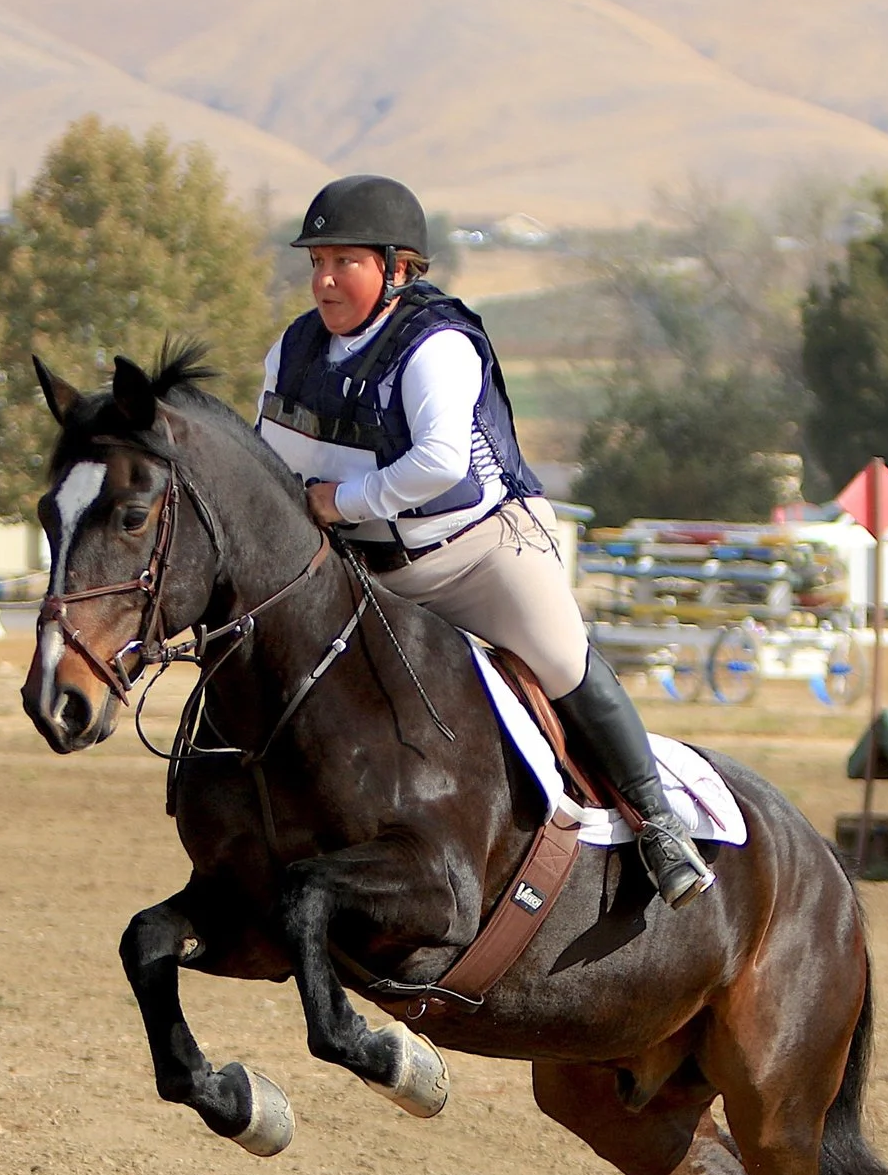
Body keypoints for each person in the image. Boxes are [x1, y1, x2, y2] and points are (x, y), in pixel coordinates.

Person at [256, 175, 714, 907]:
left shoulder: (435, 345)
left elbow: (439, 465)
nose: (324, 279)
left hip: (477, 552)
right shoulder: (294, 349)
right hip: (366, 567)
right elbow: (270, 453)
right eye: (317, 262)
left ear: (397, 268)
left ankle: (659, 824)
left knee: (562, 659)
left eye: (344, 261)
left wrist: (339, 502)